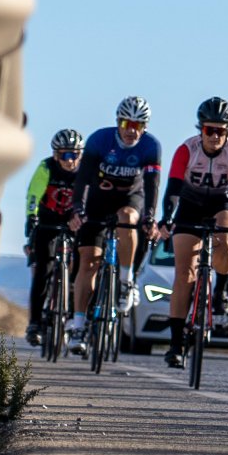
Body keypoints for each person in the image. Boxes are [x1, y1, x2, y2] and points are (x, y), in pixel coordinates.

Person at [157, 98, 228, 369]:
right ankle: (176, 344)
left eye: (220, 131)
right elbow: (173, 189)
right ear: (200, 129)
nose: (214, 136)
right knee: (183, 273)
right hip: (189, 206)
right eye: (208, 130)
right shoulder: (186, 150)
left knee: (227, 241)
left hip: (222, 203)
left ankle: (221, 290)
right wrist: (167, 216)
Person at [65, 97, 162, 356]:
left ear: (145, 127)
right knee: (88, 262)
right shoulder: (99, 141)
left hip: (130, 197)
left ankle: (126, 280)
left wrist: (150, 216)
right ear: (117, 122)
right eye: (126, 123)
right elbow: (83, 180)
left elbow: (153, 185)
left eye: (138, 125)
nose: (131, 130)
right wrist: (78, 210)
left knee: (128, 217)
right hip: (98, 199)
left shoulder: (150, 146)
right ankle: (77, 326)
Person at [23, 129, 83, 345]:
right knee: (43, 271)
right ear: (56, 155)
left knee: (80, 270)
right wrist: (32, 216)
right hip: (48, 221)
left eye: (75, 155)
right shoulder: (46, 167)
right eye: (66, 155)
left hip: (74, 222)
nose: (71, 160)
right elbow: (34, 194)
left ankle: (74, 319)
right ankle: (35, 323)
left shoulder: (85, 170)